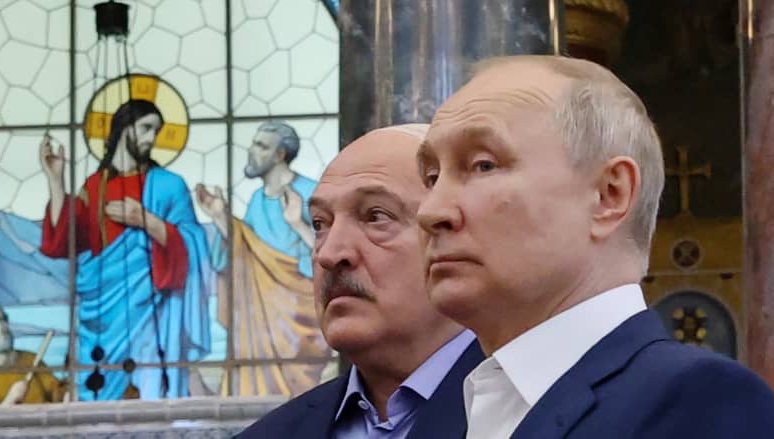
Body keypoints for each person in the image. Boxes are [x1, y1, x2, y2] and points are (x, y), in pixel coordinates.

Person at [416, 54, 774, 438]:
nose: (429, 211)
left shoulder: (699, 403)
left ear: (608, 195)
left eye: (483, 165)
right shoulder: (445, 415)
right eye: (432, 177)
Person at [235, 124, 484, 439]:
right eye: (319, 224)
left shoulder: (527, 413)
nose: (329, 253)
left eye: (375, 216)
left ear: (458, 238)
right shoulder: (270, 434)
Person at [39, 99, 211, 401]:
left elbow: (193, 244)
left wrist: (146, 221)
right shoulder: (94, 186)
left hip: (152, 311)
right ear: (123, 127)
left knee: (152, 392)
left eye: (156, 131)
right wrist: (55, 181)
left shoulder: (169, 185)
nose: (151, 138)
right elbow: (61, 244)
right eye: (145, 128)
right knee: (96, 401)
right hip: (100, 315)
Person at [196, 121, 328, 397]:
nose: (251, 151)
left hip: (298, 317)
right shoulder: (257, 199)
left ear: (280, 155)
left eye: (261, 146)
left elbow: (331, 253)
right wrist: (220, 217)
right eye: (254, 144)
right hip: (260, 319)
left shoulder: (311, 193)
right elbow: (247, 253)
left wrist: (297, 224)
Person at [0, 305, 65, 404]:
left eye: (3, 320)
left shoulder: (31, 359)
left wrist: (67, 393)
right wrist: (10, 399)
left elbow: (56, 392)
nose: (2, 327)